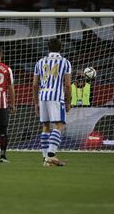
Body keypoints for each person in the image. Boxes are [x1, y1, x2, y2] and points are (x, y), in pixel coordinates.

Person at [33, 38, 71, 167]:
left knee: (45, 126)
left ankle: (45, 159)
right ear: (61, 48)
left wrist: (36, 103)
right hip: (56, 97)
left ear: (48, 48)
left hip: (42, 96)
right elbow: (67, 85)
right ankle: (51, 155)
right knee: (59, 125)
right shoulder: (65, 62)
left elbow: (34, 84)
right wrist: (68, 101)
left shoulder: (40, 62)